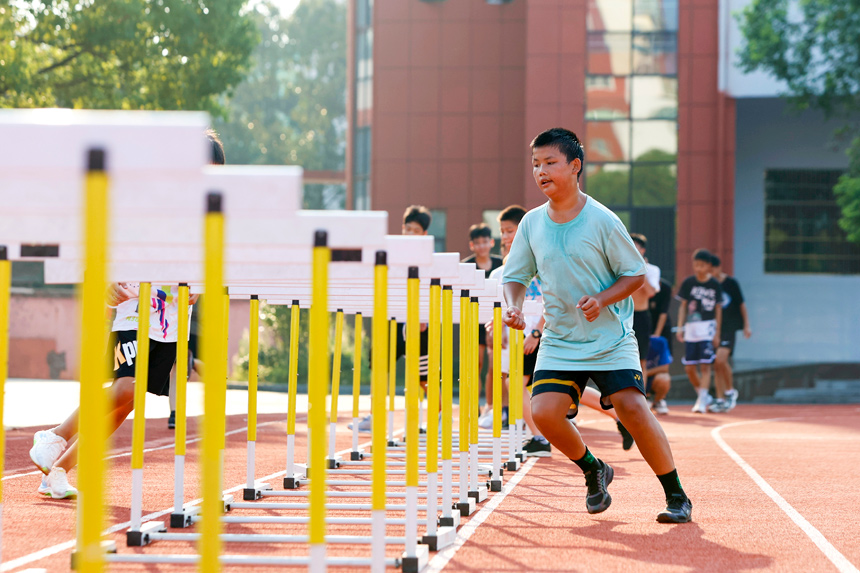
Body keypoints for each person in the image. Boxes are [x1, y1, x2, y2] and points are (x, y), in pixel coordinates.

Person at [502, 127, 692, 523]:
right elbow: (514, 277)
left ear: (575, 166)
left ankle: (676, 495)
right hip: (560, 338)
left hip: (609, 338)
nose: (541, 171)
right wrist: (514, 307)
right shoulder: (532, 224)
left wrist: (602, 299)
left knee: (633, 408)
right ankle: (593, 469)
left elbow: (635, 274)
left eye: (550, 163)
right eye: (535, 164)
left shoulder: (602, 220)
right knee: (544, 412)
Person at [31, 283, 196, 498]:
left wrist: (198, 287)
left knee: (127, 403)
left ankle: (58, 471)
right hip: (135, 311)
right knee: (127, 388)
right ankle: (54, 436)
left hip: (172, 322)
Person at [350, 205, 432, 433]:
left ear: (424, 233)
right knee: (378, 366)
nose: (409, 233)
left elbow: (429, 287)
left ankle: (439, 416)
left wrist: (423, 315)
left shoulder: (427, 257)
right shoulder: (391, 252)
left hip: (417, 322)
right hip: (391, 319)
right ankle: (375, 415)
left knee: (423, 376)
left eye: (415, 230)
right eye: (406, 228)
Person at [167, 129, 223, 429]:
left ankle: (202, 382)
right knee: (178, 354)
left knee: (190, 353)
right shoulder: (176, 197)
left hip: (203, 288)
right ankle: (176, 411)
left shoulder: (218, 202)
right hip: (172, 287)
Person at [462, 223, 503, 423]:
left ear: (491, 242)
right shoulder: (466, 266)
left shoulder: (500, 264)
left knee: (494, 363)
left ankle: (491, 405)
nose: (481, 246)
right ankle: (475, 406)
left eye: (485, 242)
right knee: (476, 364)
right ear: (472, 245)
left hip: (495, 319)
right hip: (473, 320)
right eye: (477, 243)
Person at [676, 249, 722, 414]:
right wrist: (680, 326)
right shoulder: (688, 282)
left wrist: (717, 333)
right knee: (689, 367)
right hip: (691, 328)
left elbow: (718, 310)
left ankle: (702, 400)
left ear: (708, 266)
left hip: (707, 328)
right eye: (695, 265)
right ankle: (702, 394)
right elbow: (682, 306)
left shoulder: (715, 284)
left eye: (701, 265)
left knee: (705, 366)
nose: (698, 268)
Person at [711, 254, 751, 412]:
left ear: (718, 267)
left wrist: (747, 325)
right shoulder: (711, 284)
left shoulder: (731, 283)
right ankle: (720, 399)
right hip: (714, 328)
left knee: (721, 360)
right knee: (716, 363)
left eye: (712, 268)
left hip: (730, 327)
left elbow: (742, 304)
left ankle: (730, 391)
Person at [629, 234, 659, 379]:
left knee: (641, 360)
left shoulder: (652, 270)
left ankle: (642, 397)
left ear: (643, 250)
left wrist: (640, 268)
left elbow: (650, 292)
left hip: (641, 317)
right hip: (622, 316)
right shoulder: (618, 267)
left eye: (635, 247)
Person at [645, 335, 672, 415]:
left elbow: (665, 368)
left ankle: (656, 401)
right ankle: (643, 399)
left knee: (664, 378)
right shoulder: (630, 341)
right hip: (636, 378)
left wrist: (645, 372)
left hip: (650, 377)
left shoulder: (659, 342)